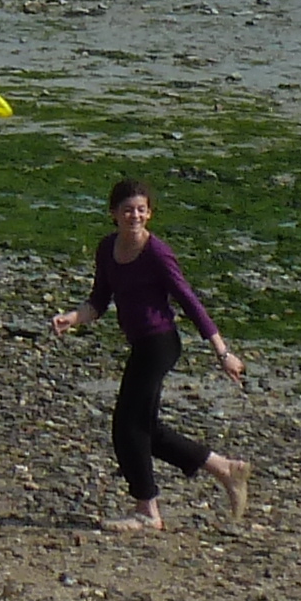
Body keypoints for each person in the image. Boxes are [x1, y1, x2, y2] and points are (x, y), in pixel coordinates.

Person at [50, 176, 251, 530]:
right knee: (145, 428)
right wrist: (74, 317)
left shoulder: (157, 252)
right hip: (141, 344)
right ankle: (225, 469)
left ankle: (148, 512)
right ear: (113, 213)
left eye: (142, 210)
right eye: (128, 211)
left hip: (160, 344)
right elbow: (99, 300)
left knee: (128, 428)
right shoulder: (107, 248)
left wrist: (223, 353)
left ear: (150, 214)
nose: (135, 217)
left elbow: (189, 301)